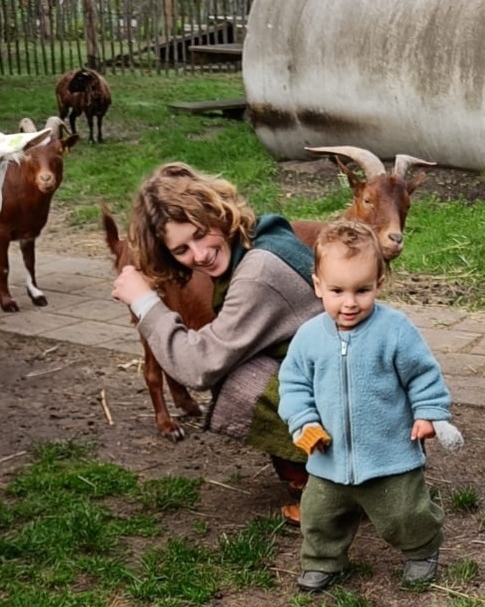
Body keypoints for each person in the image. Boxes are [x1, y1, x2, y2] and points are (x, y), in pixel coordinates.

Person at [111, 161, 323, 520]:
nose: (199, 255)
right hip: (354, 394)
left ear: (217, 212)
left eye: (199, 233)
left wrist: (145, 303)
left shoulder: (257, 273)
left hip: (360, 416)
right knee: (241, 360)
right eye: (181, 250)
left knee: (236, 377)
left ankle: (330, 488)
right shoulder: (262, 235)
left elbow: (199, 368)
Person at [278, 219, 457, 592]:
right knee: (319, 514)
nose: (349, 302)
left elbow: (422, 375)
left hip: (389, 454)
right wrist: (302, 421)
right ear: (317, 286)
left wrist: (428, 413)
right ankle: (323, 560)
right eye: (337, 290)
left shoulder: (395, 330)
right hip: (328, 459)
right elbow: (293, 386)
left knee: (405, 512)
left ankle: (422, 548)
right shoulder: (308, 338)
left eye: (362, 290)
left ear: (379, 283)